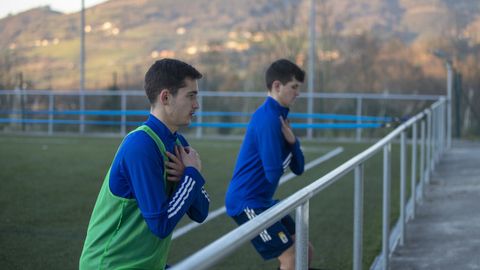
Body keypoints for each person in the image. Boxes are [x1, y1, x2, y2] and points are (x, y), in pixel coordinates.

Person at [79, 58, 210, 270]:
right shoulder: (140, 145)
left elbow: (201, 212)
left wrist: (188, 176)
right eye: (191, 96)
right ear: (166, 97)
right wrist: (192, 175)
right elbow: (161, 224)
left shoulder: (178, 143)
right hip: (112, 266)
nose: (196, 105)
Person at [225, 59, 315, 270]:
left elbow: (299, 169)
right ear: (277, 86)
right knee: (291, 257)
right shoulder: (267, 119)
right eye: (294, 87)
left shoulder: (280, 118)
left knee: (306, 250)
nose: (297, 93)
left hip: (263, 200)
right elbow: (273, 173)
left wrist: (293, 142)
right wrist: (285, 149)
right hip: (247, 203)